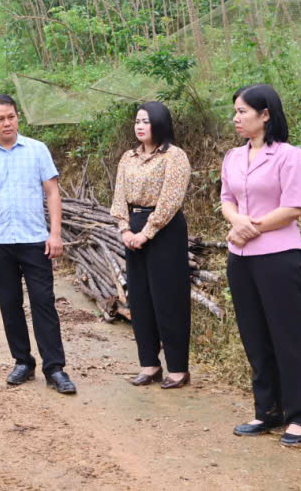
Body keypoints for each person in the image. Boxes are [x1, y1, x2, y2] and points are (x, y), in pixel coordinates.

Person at [222, 84, 301, 446]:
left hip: (279, 256)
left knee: (289, 337)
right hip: (241, 259)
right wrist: (237, 223)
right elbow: (226, 200)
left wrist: (250, 227)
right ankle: (267, 410)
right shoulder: (233, 156)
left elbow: (295, 207)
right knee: (255, 335)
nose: (236, 118)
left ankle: (300, 416)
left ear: (265, 115)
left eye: (243, 111)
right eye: (235, 112)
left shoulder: (289, 156)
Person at [0, 94, 77, 394]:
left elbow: (52, 193)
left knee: (44, 302)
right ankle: (22, 361)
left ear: (18, 117)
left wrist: (54, 234)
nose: (7, 123)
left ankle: (54, 368)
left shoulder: (37, 151)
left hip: (34, 241)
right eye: (0, 118)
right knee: (10, 303)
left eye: (11, 117)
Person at [110, 101, 193, 388]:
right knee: (141, 299)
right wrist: (124, 229)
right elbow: (119, 196)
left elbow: (171, 199)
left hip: (164, 230)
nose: (140, 126)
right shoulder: (127, 158)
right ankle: (149, 364)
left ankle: (178, 369)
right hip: (132, 229)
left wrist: (147, 232)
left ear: (159, 123)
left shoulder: (174, 157)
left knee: (168, 298)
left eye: (146, 121)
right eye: (137, 121)